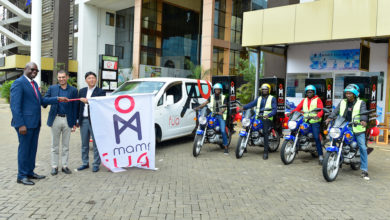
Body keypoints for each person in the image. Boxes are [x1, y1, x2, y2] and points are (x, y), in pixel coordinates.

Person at [10, 62, 68, 185]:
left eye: (37, 70)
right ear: (25, 69)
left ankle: (30, 172)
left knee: (32, 149)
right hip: (24, 124)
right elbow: (15, 106)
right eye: (32, 69)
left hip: (35, 123)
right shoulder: (19, 83)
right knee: (24, 150)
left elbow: (41, 101)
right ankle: (21, 176)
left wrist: (57, 99)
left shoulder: (34, 84)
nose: (34, 72)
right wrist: (20, 124)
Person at [325, 84, 370, 180]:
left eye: (350, 93)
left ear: (355, 94)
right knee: (333, 138)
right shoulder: (342, 102)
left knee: (362, 147)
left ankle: (364, 170)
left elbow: (363, 112)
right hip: (343, 126)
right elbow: (336, 111)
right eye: (347, 93)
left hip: (357, 127)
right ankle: (336, 158)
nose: (348, 95)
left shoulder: (361, 103)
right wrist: (329, 117)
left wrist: (363, 120)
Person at [44, 70, 78, 175]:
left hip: (68, 119)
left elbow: (75, 106)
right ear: (57, 78)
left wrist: (75, 122)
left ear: (67, 77)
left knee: (65, 145)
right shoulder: (52, 88)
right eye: (59, 77)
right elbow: (44, 100)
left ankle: (64, 166)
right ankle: (54, 166)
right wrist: (56, 99)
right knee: (54, 145)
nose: (61, 79)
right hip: (55, 119)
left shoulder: (73, 90)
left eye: (63, 77)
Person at [77, 72, 106, 172]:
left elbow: (100, 104)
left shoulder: (101, 91)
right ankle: (85, 163)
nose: (91, 80)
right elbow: (78, 107)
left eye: (93, 78)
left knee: (96, 144)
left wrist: (88, 101)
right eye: (89, 78)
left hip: (95, 120)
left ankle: (96, 164)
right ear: (86, 80)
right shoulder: (81, 91)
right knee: (84, 143)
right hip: (83, 120)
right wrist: (77, 119)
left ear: (96, 80)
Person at [239, 83, 277, 160]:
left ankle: (266, 152)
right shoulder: (259, 98)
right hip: (258, 118)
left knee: (265, 132)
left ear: (269, 90)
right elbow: (252, 104)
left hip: (267, 119)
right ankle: (244, 146)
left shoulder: (272, 98)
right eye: (263, 89)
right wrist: (243, 107)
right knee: (248, 127)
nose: (264, 91)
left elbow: (274, 109)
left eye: (266, 89)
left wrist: (269, 115)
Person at [289, 85, 324, 164]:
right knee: (295, 130)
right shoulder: (304, 100)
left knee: (316, 137)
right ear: (306, 93)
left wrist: (317, 116)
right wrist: (291, 113)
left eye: (311, 92)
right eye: (308, 92)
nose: (309, 93)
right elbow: (298, 108)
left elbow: (321, 110)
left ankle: (320, 155)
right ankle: (296, 148)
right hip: (305, 120)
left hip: (315, 121)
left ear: (314, 92)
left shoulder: (317, 100)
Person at [195, 83, 229, 154]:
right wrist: (199, 107)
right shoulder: (211, 97)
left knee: (222, 131)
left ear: (220, 90)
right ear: (214, 90)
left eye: (218, 89)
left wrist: (221, 111)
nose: (217, 90)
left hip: (220, 116)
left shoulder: (223, 97)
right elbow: (205, 103)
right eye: (216, 89)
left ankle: (226, 147)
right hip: (212, 115)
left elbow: (225, 106)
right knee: (204, 123)